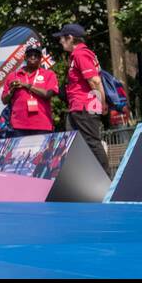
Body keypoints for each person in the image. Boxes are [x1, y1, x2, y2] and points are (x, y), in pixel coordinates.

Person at [54, 23, 110, 174]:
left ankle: (106, 180)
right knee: (73, 144)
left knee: (92, 143)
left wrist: (102, 103)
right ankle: (85, 179)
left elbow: (95, 81)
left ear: (70, 38)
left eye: (62, 38)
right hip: (77, 107)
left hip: (85, 107)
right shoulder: (77, 55)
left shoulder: (81, 54)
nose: (60, 41)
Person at [0, 43, 58, 137]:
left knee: (41, 152)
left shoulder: (49, 74)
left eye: (36, 55)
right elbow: (4, 100)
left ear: (40, 58)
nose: (33, 57)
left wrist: (26, 85)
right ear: (25, 57)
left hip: (42, 125)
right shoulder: (13, 75)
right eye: (30, 55)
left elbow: (48, 94)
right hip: (19, 125)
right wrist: (11, 91)